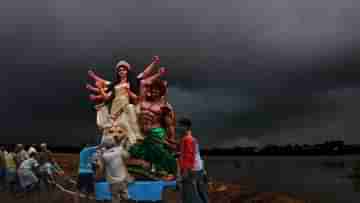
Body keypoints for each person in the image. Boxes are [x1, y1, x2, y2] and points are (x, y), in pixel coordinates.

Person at [101, 136, 133, 202]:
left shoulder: (104, 155)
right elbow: (128, 156)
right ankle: (128, 199)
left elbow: (102, 167)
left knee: (115, 198)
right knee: (125, 195)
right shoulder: (119, 150)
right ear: (113, 143)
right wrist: (125, 147)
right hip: (122, 180)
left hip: (112, 182)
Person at [178, 117, 203, 203]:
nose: (179, 128)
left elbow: (189, 156)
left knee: (190, 195)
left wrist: (185, 170)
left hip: (190, 169)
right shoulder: (191, 138)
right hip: (196, 168)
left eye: (180, 126)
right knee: (194, 193)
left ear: (186, 127)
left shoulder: (187, 139)